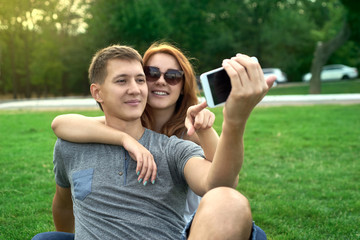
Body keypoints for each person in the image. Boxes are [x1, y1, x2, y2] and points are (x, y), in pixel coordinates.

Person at [32, 44, 274, 239]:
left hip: (197, 227)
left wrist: (234, 121)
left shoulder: (176, 146)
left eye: (139, 79)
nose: (137, 88)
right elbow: (63, 204)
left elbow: (219, 184)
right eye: (122, 80)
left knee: (229, 201)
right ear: (97, 92)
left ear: (182, 87)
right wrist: (125, 139)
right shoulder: (72, 143)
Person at [51, 42, 220, 222]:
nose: (161, 81)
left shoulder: (189, 134)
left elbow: (223, 178)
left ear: (182, 87)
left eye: (173, 76)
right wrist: (125, 139)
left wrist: (208, 129)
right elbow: (61, 123)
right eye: (152, 73)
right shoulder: (129, 125)